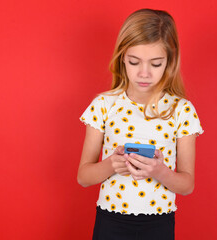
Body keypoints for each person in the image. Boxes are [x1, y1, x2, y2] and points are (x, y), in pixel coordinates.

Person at [77, 8, 204, 240]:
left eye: (156, 64)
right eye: (134, 62)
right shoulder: (104, 105)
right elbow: (83, 176)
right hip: (110, 221)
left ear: (170, 61)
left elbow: (187, 184)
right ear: (122, 57)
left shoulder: (182, 110)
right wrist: (112, 164)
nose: (144, 73)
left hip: (159, 224)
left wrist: (159, 171)